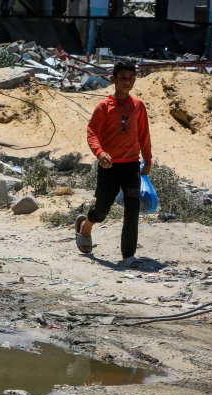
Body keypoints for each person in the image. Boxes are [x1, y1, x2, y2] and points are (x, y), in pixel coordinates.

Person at [75, 61, 152, 267]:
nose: (126, 82)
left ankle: (128, 255)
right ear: (113, 79)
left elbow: (144, 134)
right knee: (102, 209)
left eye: (130, 78)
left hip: (131, 166)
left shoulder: (138, 106)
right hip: (108, 167)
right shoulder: (104, 107)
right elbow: (92, 133)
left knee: (132, 208)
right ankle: (86, 225)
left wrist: (148, 159)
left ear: (134, 80)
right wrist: (100, 153)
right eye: (122, 77)